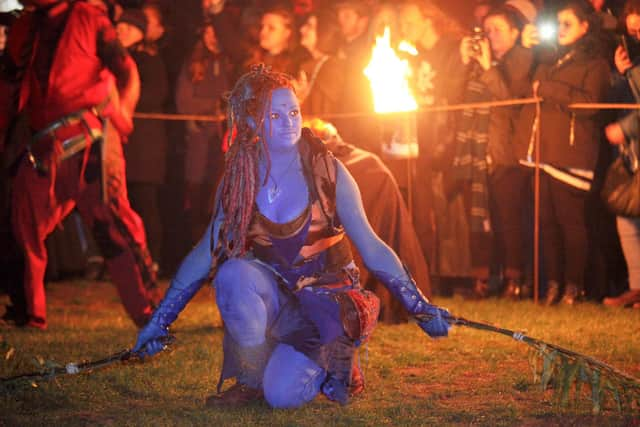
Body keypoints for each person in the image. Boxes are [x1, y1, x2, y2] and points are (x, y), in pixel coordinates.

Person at [133, 65, 450, 409]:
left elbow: (373, 248)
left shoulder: (329, 173)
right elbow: (204, 253)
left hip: (325, 307)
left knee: (282, 397)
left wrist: (419, 306)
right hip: (279, 300)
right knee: (232, 275)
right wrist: (159, 321)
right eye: (275, 114)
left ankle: (336, 360)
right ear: (252, 124)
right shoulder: (239, 180)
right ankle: (252, 379)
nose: (289, 121)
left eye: (294, 111)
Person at [0, 0, 158, 328]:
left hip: (92, 137)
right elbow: (9, 87)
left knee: (112, 224)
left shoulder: (89, 18)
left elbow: (126, 71)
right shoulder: (24, 28)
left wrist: (122, 119)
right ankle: (30, 314)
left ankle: (151, 313)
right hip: (44, 145)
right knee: (20, 223)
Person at [514, 0, 611, 305]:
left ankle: (575, 286)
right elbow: (522, 89)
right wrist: (526, 51)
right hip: (543, 153)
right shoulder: (549, 60)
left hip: (572, 154)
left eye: (568, 23)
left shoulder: (595, 64)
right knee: (547, 223)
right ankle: (554, 284)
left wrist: (547, 89)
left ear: (585, 27)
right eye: (559, 24)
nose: (561, 30)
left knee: (571, 223)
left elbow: (590, 103)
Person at [458, 6, 535, 299]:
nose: (491, 37)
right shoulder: (478, 64)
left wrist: (489, 67)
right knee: (480, 222)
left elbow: (510, 100)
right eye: (487, 31)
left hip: (507, 154)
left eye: (498, 30)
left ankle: (514, 280)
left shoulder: (523, 60)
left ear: (515, 33)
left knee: (509, 221)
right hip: (476, 154)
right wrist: (464, 62)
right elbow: (455, 97)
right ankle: (483, 280)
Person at [117, 8, 169, 272]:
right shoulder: (112, 59)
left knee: (145, 201)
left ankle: (152, 261)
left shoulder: (149, 60)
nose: (121, 31)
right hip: (120, 142)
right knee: (119, 203)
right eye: (120, 26)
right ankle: (122, 261)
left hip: (144, 144)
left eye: (129, 27)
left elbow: (154, 96)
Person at [176, 20, 231, 244]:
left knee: (218, 201)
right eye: (206, 32)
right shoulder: (194, 63)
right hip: (200, 142)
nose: (211, 37)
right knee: (197, 200)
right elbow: (184, 102)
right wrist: (213, 104)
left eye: (215, 31)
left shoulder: (231, 62)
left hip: (225, 145)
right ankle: (198, 257)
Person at [602, 0, 640, 309]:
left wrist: (626, 128)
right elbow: (620, 98)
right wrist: (620, 74)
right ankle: (637, 287)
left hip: (633, 140)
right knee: (627, 217)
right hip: (632, 154)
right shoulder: (631, 56)